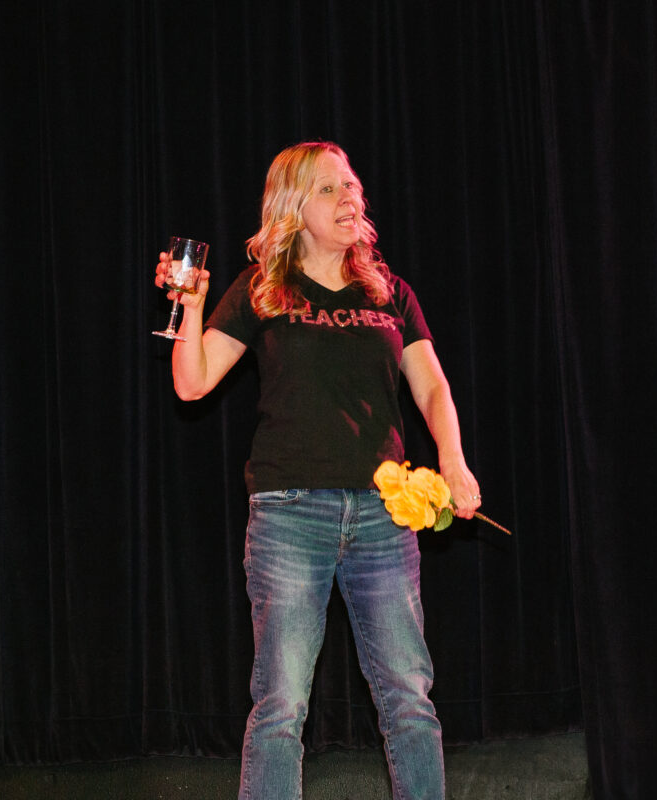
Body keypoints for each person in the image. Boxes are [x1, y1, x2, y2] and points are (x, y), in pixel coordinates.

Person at [155, 141, 482, 800]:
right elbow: (191, 385)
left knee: (410, 700)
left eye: (352, 185)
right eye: (330, 189)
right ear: (292, 207)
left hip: (384, 517)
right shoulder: (262, 290)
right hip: (289, 514)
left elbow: (433, 388)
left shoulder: (389, 292)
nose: (349, 198)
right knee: (279, 709)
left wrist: (453, 459)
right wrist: (191, 304)